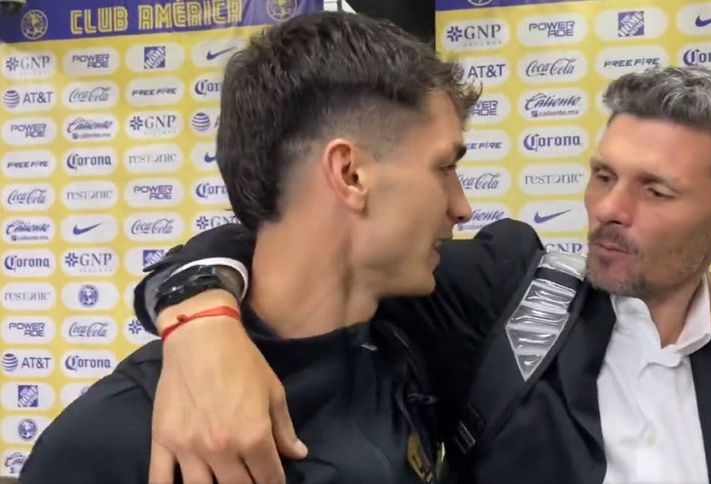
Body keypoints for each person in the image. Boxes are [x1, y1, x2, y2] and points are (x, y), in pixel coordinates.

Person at [129, 65, 711, 484]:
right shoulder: (507, 291)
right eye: (603, 175)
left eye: (656, 191)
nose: (609, 209)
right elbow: (292, 237)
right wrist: (202, 322)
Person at [19, 11, 478, 484]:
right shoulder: (112, 437)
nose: (462, 208)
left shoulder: (416, 345)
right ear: (350, 174)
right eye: (444, 167)